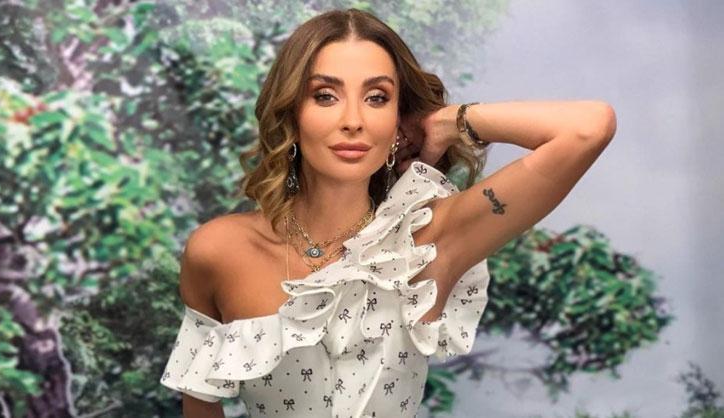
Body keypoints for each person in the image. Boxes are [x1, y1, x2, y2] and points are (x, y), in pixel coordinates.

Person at [160, 7, 616, 418]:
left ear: (399, 119)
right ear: (292, 113)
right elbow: (199, 405)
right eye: (325, 96)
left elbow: (587, 129)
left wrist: (448, 120)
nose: (353, 120)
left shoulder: (428, 242)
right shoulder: (218, 251)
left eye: (377, 97)